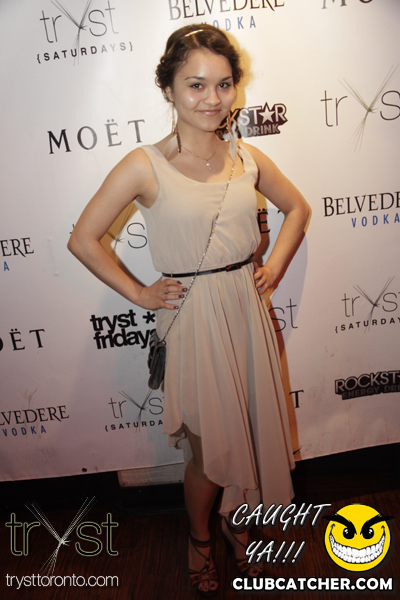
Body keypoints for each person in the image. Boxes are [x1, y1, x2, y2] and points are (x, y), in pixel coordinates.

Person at [68, 24, 310, 596]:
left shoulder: (246, 157)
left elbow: (297, 209)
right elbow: (82, 239)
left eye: (224, 84)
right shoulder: (144, 164)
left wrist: (273, 267)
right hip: (193, 320)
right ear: (169, 89)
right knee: (208, 447)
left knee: (249, 429)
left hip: (245, 311)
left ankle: (238, 523)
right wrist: (140, 294)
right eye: (196, 85)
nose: (212, 99)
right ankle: (199, 538)